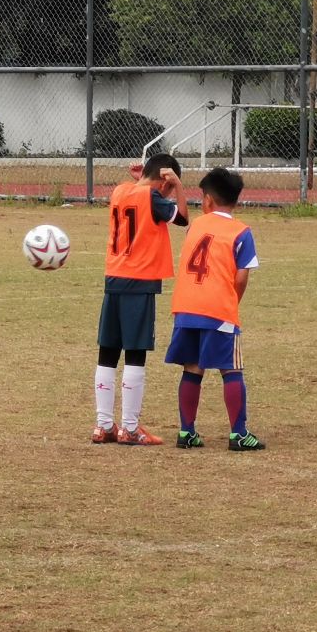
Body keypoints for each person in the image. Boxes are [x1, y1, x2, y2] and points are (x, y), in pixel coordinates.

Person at [164, 167, 263, 451]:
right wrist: (232, 300)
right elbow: (242, 275)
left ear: (207, 200)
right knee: (231, 369)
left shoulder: (197, 225)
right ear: (236, 200)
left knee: (192, 368)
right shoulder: (241, 231)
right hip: (218, 308)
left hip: (185, 307)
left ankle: (186, 432)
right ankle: (239, 434)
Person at [93, 152, 188, 446]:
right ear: (165, 178)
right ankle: (130, 428)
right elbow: (183, 218)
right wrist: (180, 188)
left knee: (108, 351)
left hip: (114, 278)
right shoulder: (153, 198)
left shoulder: (121, 190)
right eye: (169, 186)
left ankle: (103, 425)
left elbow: (142, 198)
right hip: (140, 281)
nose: (169, 192)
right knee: (135, 352)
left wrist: (146, 185)